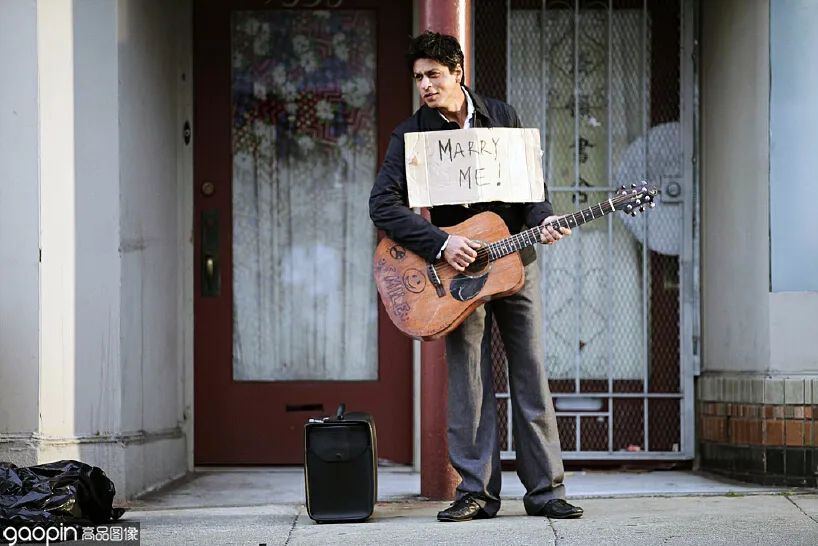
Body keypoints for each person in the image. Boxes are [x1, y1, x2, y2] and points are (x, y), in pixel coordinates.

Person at [369, 31, 583, 522]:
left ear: (457, 73)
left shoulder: (502, 117)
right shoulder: (411, 135)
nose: (425, 85)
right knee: (467, 379)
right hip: (456, 272)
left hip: (514, 263)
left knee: (529, 372)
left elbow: (533, 190)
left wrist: (543, 220)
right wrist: (442, 242)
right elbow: (382, 204)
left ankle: (546, 490)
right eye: (418, 77)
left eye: (434, 75)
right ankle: (476, 492)